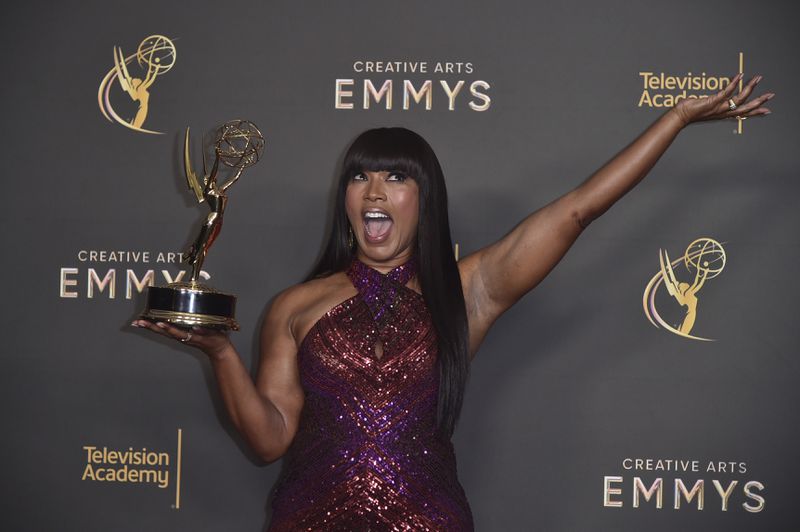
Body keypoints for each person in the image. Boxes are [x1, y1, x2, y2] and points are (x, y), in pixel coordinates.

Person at [132, 73, 772, 530]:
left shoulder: (467, 291)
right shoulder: (294, 306)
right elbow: (270, 440)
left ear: (423, 199)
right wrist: (219, 353)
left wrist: (676, 118)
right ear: (346, 199)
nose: (374, 188)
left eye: (395, 175)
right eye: (360, 175)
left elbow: (578, 210)